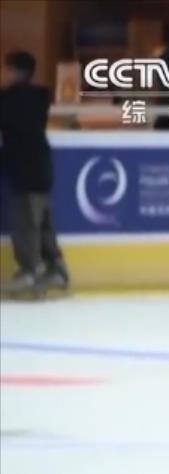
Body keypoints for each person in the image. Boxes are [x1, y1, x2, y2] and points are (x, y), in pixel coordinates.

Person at [0, 50, 68, 295]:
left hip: (22, 169)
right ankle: (55, 269)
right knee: (44, 222)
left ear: (14, 71)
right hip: (42, 166)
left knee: (26, 224)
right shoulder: (40, 96)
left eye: (5, 69)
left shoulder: (7, 100)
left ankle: (30, 272)